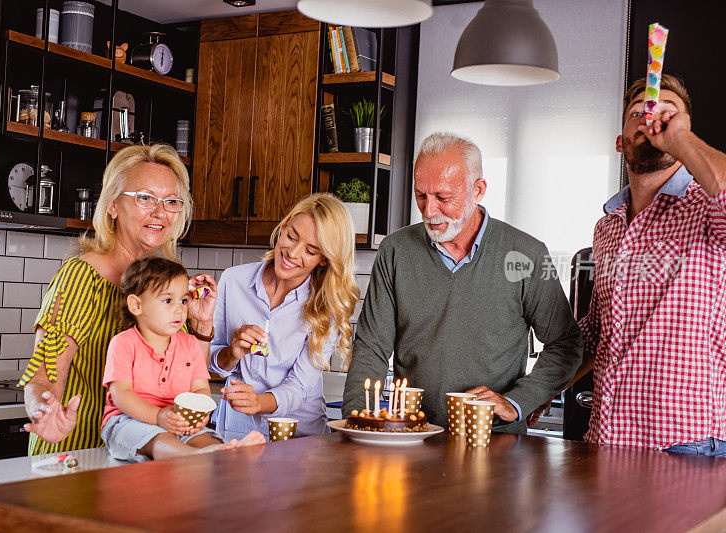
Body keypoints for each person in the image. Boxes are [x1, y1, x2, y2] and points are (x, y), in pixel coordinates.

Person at [342, 133, 583, 433]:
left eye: (443, 198)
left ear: (478, 190)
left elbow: (567, 344)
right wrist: (355, 424)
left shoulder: (531, 254)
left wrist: (518, 401)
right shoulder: (394, 251)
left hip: (495, 444)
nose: (429, 212)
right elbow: (370, 348)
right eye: (421, 196)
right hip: (414, 437)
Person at [551, 75, 726, 454]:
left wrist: (680, 139)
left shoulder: (706, 209)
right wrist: (536, 391)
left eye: (668, 114)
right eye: (639, 113)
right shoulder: (607, 226)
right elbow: (597, 334)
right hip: (607, 439)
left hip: (684, 444)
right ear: (620, 141)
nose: (652, 120)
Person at [20, 144, 217, 455]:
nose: (160, 212)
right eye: (144, 198)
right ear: (112, 205)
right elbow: (44, 375)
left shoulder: (165, 286)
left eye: (171, 202)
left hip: (141, 462)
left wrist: (202, 324)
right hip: (78, 455)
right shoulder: (80, 278)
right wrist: (46, 412)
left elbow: (187, 374)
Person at [209, 193, 359, 440]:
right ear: (285, 225)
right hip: (237, 430)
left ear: (323, 260)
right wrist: (232, 353)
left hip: (298, 438)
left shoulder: (327, 308)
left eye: (310, 250)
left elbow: (299, 388)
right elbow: (213, 360)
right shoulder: (233, 280)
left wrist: (258, 401)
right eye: (291, 236)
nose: (292, 253)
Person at [101, 256, 264, 461]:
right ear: (136, 305)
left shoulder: (190, 344)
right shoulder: (123, 343)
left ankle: (220, 452)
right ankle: (194, 456)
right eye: (168, 300)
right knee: (159, 440)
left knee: (203, 436)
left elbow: (200, 389)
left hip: (177, 418)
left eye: (183, 300)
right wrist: (157, 417)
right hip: (127, 421)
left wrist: (199, 414)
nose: (179, 308)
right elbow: (120, 394)